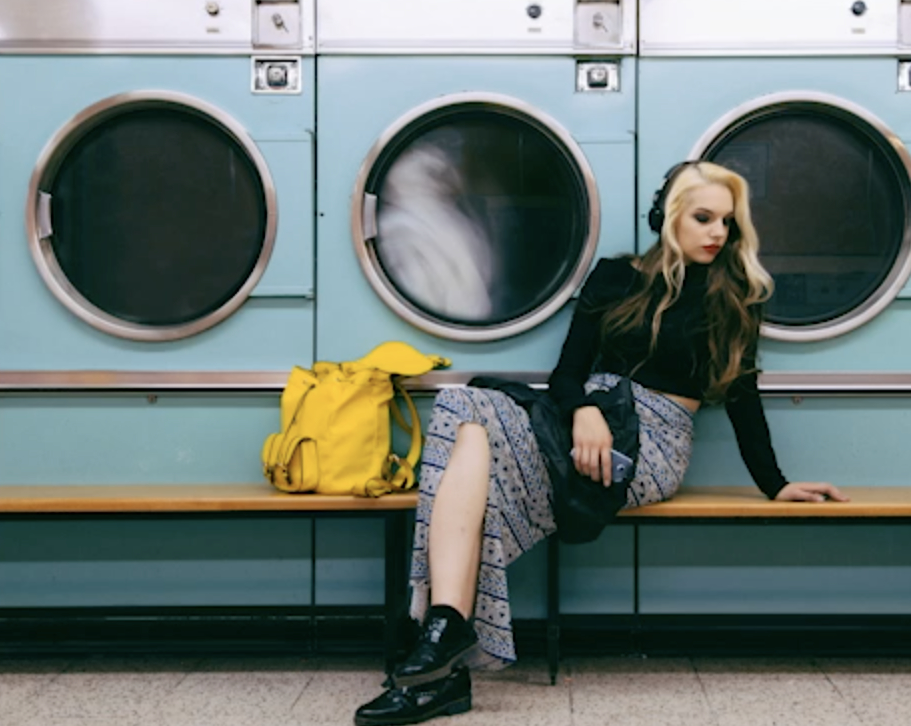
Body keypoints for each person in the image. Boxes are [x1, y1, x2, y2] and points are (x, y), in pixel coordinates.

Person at [354, 161, 849, 726]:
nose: (717, 233)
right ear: (668, 219)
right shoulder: (616, 278)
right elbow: (566, 374)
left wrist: (776, 484)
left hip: (652, 446)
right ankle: (444, 639)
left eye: (728, 223)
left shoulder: (735, 297)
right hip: (580, 425)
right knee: (462, 406)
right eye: (703, 218)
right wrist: (586, 410)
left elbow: (742, 399)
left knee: (471, 470)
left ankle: (434, 655)